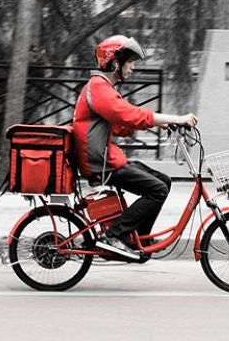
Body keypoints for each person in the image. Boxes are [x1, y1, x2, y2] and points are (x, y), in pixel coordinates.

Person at [72, 35, 198, 259]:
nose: (133, 67)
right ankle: (115, 236)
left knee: (163, 182)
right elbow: (129, 114)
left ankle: (140, 238)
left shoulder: (103, 88)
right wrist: (178, 118)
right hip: (100, 163)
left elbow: (120, 122)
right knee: (156, 189)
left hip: (106, 158)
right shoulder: (99, 88)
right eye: (130, 62)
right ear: (116, 63)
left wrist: (161, 123)